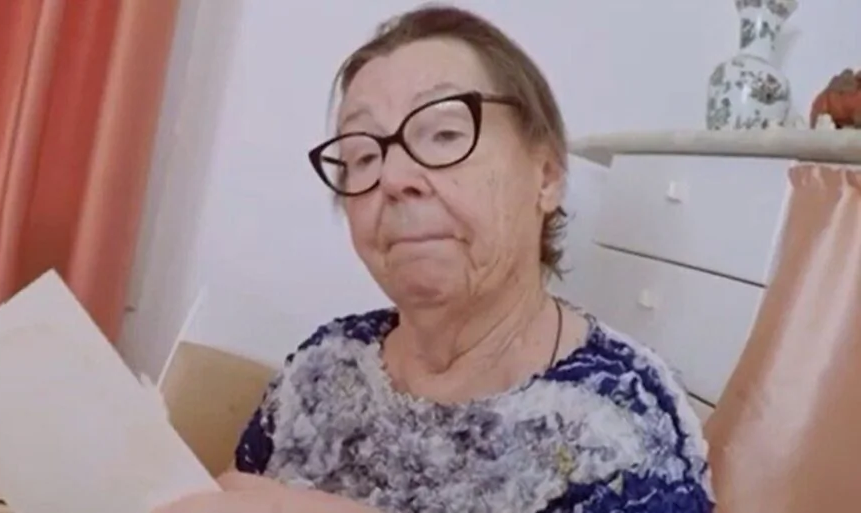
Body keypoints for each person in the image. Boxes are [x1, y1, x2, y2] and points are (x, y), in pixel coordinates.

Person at [154, 6, 713, 513]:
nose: (393, 178)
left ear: (545, 175)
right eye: (362, 155)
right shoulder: (322, 369)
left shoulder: (620, 422)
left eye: (444, 134)